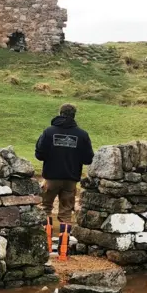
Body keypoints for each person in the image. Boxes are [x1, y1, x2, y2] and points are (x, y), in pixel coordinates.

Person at [35, 104, 94, 256]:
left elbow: (39, 154)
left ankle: (46, 247)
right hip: (71, 179)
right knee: (66, 213)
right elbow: (88, 159)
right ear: (74, 115)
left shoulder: (49, 132)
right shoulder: (82, 135)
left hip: (51, 178)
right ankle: (63, 252)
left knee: (46, 208)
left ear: (60, 113)